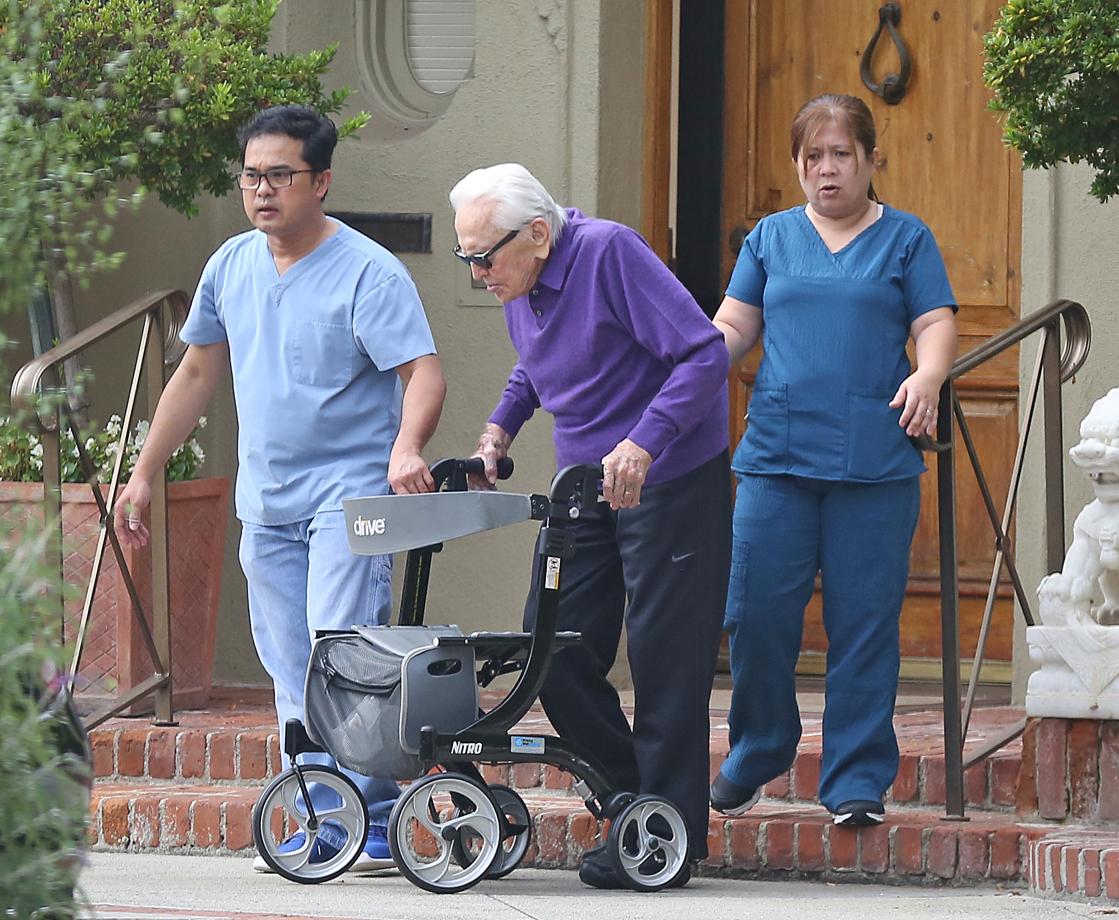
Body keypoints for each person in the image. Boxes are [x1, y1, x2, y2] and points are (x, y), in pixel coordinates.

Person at [113, 105, 446, 873]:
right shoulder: (230, 265)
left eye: (279, 176)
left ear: (321, 181)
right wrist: (143, 472)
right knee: (291, 663)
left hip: (349, 499)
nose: (262, 190)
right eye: (251, 176)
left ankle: (358, 815)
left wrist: (407, 446)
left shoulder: (368, 270)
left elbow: (421, 371)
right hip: (267, 504)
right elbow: (196, 371)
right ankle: (337, 816)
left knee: (341, 651)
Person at [448, 163, 729, 889]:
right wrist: (496, 435)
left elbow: (703, 353)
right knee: (554, 648)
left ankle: (665, 839)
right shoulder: (522, 281)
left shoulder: (609, 253)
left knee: (667, 662)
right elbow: (532, 367)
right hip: (585, 485)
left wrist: (645, 440)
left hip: (668, 476)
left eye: (485, 255)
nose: (477, 272)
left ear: (538, 234)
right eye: (466, 257)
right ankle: (641, 806)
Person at [707, 93, 958, 828]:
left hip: (874, 465)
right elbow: (732, 326)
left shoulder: (907, 239)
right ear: (797, 164)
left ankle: (854, 780)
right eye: (812, 156)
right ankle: (758, 752)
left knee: (865, 625)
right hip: (777, 459)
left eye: (840, 154)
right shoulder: (770, 239)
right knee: (752, 614)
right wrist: (682, 367)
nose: (826, 170)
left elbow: (935, 320)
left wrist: (929, 374)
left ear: (871, 161)